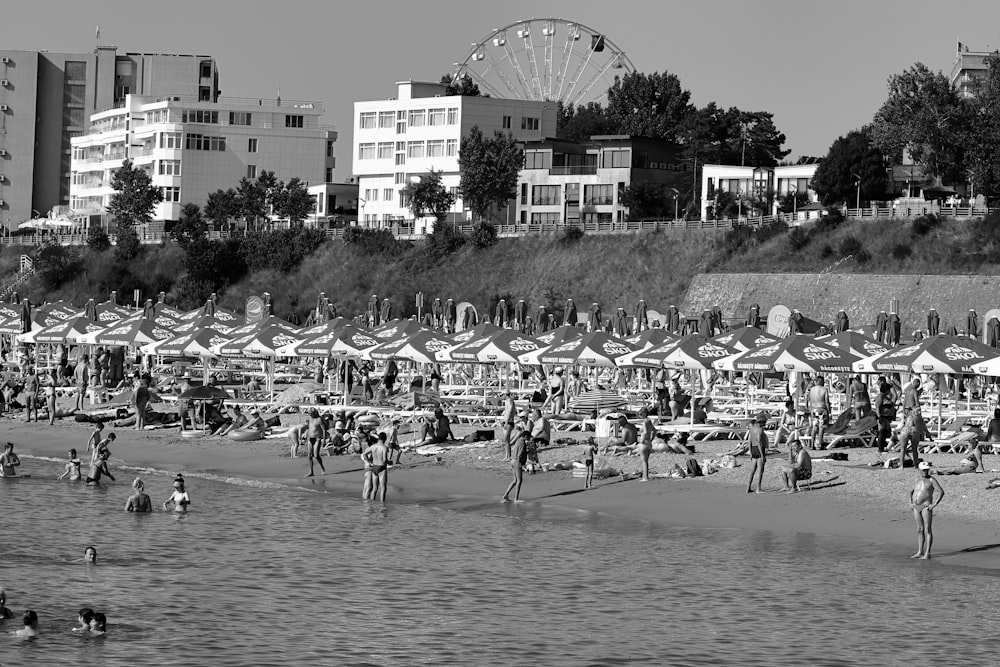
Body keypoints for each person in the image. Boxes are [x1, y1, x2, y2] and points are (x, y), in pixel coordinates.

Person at [910, 461, 944, 559]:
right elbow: (911, 491)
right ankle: (920, 551)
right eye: (924, 470)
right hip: (916, 506)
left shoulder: (932, 480)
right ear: (919, 470)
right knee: (919, 530)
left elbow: (941, 491)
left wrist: (934, 504)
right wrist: (910, 502)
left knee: (927, 529)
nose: (925, 472)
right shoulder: (916, 479)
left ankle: (927, 553)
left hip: (926, 506)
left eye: (927, 470)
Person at [502, 419, 529, 502]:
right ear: (525, 436)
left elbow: (515, 450)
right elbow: (520, 453)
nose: (528, 438)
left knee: (514, 480)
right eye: (528, 437)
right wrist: (522, 464)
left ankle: (505, 495)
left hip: (513, 461)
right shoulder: (522, 442)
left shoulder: (517, 441)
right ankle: (516, 499)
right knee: (519, 480)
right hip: (517, 461)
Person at [872, 382, 896, 465]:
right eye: (889, 389)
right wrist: (879, 417)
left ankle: (882, 448)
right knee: (882, 432)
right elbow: (877, 407)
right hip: (882, 416)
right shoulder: (881, 396)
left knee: (885, 432)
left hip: (885, 416)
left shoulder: (884, 396)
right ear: (886, 390)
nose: (889, 391)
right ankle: (880, 449)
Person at [363, 431, 390, 501]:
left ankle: (372, 504)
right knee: (383, 489)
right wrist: (389, 462)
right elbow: (384, 460)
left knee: (375, 489)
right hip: (381, 467)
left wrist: (369, 462)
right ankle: (382, 506)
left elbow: (364, 455)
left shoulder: (373, 446)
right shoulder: (384, 448)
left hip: (374, 467)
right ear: (384, 439)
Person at [806, 376, 831, 450]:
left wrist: (810, 410)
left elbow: (808, 401)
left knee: (814, 427)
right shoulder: (824, 389)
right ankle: (820, 444)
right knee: (821, 428)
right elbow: (826, 401)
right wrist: (829, 410)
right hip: (822, 410)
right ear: (821, 381)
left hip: (814, 410)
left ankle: (811, 444)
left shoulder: (812, 390)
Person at [746, 411, 768, 493]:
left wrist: (751, 453)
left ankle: (748, 486)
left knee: (753, 470)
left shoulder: (752, 429)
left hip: (753, 449)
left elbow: (749, 441)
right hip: (759, 450)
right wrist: (762, 456)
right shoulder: (760, 429)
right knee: (760, 470)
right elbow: (759, 442)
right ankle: (758, 488)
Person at [305, 408, 327, 477]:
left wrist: (324, 440)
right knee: (309, 455)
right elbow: (309, 428)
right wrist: (306, 436)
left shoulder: (319, 419)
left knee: (316, 455)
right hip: (310, 438)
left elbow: (324, 430)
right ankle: (311, 471)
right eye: (309, 413)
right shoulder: (310, 419)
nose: (309, 414)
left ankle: (322, 468)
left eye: (310, 413)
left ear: (314, 413)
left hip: (317, 438)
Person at [637, 409, 655, 482]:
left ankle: (645, 478)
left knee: (643, 461)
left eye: (640, 414)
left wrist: (641, 440)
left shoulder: (644, 422)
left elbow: (645, 432)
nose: (640, 416)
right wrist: (651, 439)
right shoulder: (649, 421)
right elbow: (654, 431)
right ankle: (645, 476)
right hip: (649, 442)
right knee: (646, 461)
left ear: (644, 414)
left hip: (644, 442)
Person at [501, 389, 517, 461]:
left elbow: (510, 412)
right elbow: (506, 412)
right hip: (506, 421)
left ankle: (509, 456)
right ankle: (506, 456)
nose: (501, 396)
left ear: (505, 394)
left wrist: (506, 422)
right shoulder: (506, 401)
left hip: (509, 422)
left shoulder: (510, 400)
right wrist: (503, 421)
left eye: (502, 395)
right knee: (505, 440)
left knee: (506, 439)